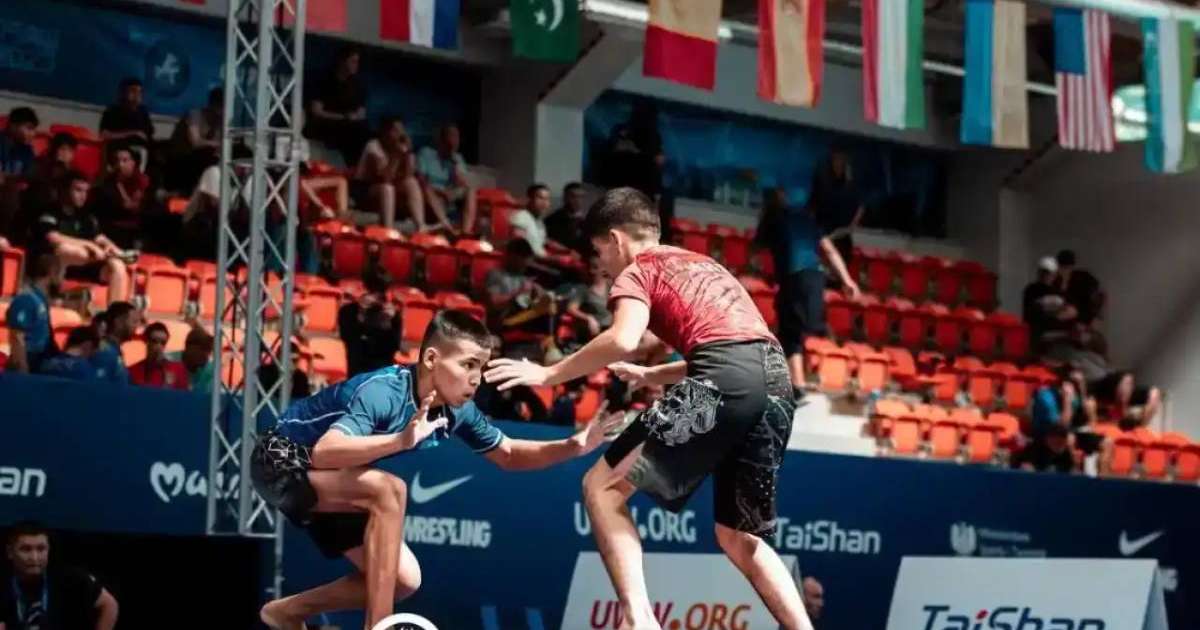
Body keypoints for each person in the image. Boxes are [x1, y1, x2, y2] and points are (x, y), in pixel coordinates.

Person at [485, 187, 817, 630]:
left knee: (601, 488)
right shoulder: (704, 264)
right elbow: (739, 356)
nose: (600, 263)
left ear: (617, 240)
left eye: (600, 250)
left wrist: (548, 375)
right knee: (740, 537)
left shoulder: (636, 271)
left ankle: (640, 621)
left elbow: (624, 338)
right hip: (775, 383)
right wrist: (651, 376)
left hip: (723, 377)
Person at [251, 310, 622, 630]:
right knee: (389, 490)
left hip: (334, 479)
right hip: (279, 460)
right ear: (431, 359)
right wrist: (399, 442)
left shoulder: (458, 410)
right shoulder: (383, 392)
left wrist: (573, 446)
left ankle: (285, 612)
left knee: (403, 579)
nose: (476, 378)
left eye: (481, 366)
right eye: (467, 365)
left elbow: (508, 454)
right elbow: (324, 452)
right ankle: (380, 626)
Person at [754, 188, 860, 398]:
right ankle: (803, 378)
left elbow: (758, 247)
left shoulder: (773, 219)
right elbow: (829, 251)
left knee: (790, 331)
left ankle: (799, 383)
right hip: (815, 278)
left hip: (795, 277)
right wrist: (847, 280)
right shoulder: (807, 220)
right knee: (801, 328)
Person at [33, 171, 132, 305]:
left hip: (87, 265)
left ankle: (115, 312)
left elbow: (100, 238)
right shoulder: (50, 211)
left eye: (85, 191)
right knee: (67, 249)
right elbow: (53, 238)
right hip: (56, 264)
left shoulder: (86, 216)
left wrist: (119, 252)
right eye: (78, 190)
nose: (82, 196)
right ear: (64, 190)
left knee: (118, 265)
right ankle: (56, 293)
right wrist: (90, 246)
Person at [1, 521, 119, 630]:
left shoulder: (71, 579)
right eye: (26, 549)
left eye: (41, 549)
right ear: (10, 552)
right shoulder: (4, 583)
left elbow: (109, 605)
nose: (34, 557)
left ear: (49, 550)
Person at [353, 118, 426, 231]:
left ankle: (421, 227)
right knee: (387, 188)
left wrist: (409, 152)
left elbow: (408, 174)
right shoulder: (373, 146)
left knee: (411, 182)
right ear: (385, 133)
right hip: (366, 191)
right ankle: (388, 231)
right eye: (395, 131)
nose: (400, 135)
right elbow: (385, 178)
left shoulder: (400, 147)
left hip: (390, 189)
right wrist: (396, 155)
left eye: (401, 131)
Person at [304, 46, 371, 166]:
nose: (356, 65)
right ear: (342, 61)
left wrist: (355, 117)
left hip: (349, 125)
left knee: (364, 132)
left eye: (357, 62)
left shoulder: (357, 85)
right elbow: (316, 111)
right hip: (325, 123)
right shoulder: (323, 80)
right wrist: (343, 117)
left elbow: (362, 112)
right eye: (353, 61)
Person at [808, 149, 864, 274]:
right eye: (836, 160)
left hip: (841, 237)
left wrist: (846, 229)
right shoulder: (822, 184)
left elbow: (860, 210)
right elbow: (812, 209)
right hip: (821, 235)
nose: (838, 163)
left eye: (842, 160)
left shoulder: (852, 188)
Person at [337, 269, 401, 377]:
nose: (376, 299)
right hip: (357, 372)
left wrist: (388, 325)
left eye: (380, 294)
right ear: (364, 289)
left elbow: (395, 347)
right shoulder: (348, 311)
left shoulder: (392, 315)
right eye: (373, 292)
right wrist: (360, 316)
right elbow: (347, 338)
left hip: (381, 374)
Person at [4, 253, 60, 374]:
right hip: (30, 361)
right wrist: (23, 368)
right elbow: (17, 336)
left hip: (42, 358)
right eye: (61, 271)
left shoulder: (42, 300)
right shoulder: (27, 299)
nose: (63, 277)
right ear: (52, 271)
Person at [416, 124, 476, 233]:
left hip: (449, 194)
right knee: (427, 189)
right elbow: (421, 180)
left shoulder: (458, 158)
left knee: (470, 190)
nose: (455, 141)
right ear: (442, 140)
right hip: (431, 193)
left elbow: (462, 184)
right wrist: (441, 192)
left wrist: (455, 166)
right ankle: (446, 225)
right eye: (452, 136)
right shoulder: (426, 153)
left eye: (457, 137)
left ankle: (466, 233)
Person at [94, 146, 151, 248]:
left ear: (133, 163)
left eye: (125, 160)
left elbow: (132, 207)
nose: (120, 165)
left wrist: (119, 185)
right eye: (117, 161)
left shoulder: (141, 180)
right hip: (113, 222)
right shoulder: (109, 181)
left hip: (138, 222)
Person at [166, 88, 223, 192]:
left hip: (200, 157)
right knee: (207, 158)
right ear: (212, 105)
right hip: (182, 157)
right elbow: (195, 142)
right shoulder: (195, 115)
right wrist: (216, 144)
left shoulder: (219, 122)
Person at [98, 78, 154, 170]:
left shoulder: (143, 111)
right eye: (133, 91)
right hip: (122, 147)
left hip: (145, 147)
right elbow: (104, 135)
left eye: (139, 92)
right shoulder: (113, 111)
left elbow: (149, 134)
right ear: (123, 93)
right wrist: (133, 133)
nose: (137, 94)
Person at [1022, 256, 1074, 347]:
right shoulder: (1031, 290)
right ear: (1039, 273)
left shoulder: (1058, 291)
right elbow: (1032, 312)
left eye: (1049, 273)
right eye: (1044, 272)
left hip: (1057, 336)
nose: (1047, 276)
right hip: (1038, 336)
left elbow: (1071, 311)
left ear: (1055, 274)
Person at [564, 254, 612, 344]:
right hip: (597, 332)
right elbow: (571, 308)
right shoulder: (583, 289)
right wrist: (589, 318)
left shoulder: (612, 286)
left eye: (595, 267)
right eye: (590, 267)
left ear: (604, 269)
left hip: (614, 329)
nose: (591, 271)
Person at [129, 322, 190, 390]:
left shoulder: (178, 370)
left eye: (163, 343)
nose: (159, 346)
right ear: (146, 342)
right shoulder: (133, 371)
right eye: (154, 341)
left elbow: (183, 397)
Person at [91, 301, 141, 384]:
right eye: (134, 321)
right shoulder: (104, 352)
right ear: (119, 322)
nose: (136, 326)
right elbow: (99, 389)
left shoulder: (114, 351)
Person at [1093, 370, 1162, 429]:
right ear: (1116, 385)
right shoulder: (1101, 393)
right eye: (1125, 384)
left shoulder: (1132, 395)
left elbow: (1155, 393)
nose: (1128, 388)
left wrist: (1143, 424)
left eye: (1131, 384)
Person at [1055, 250, 1104, 325]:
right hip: (1063, 314)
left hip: (1082, 314)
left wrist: (1096, 316)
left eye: (1067, 267)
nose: (1064, 271)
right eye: (1062, 267)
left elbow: (1097, 295)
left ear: (1072, 266)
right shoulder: (1056, 281)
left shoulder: (1083, 277)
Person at [510, 183, 558, 258]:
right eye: (540, 198)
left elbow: (542, 241)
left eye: (547, 199)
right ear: (529, 199)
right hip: (529, 264)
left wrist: (566, 250)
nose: (544, 203)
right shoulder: (521, 217)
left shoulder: (539, 221)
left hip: (541, 261)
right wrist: (551, 258)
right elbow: (520, 249)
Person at [166, 326, 215, 394]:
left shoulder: (209, 370)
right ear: (188, 348)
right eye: (201, 352)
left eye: (208, 353)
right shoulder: (169, 361)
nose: (205, 357)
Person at [545, 181, 588, 255]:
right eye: (573, 196)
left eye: (581, 197)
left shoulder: (588, 222)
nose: (577, 200)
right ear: (565, 197)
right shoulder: (552, 220)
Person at [0, 107, 38, 180]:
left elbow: (28, 178)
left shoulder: (27, 150)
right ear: (13, 126)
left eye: (34, 130)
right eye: (29, 128)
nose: (33, 134)